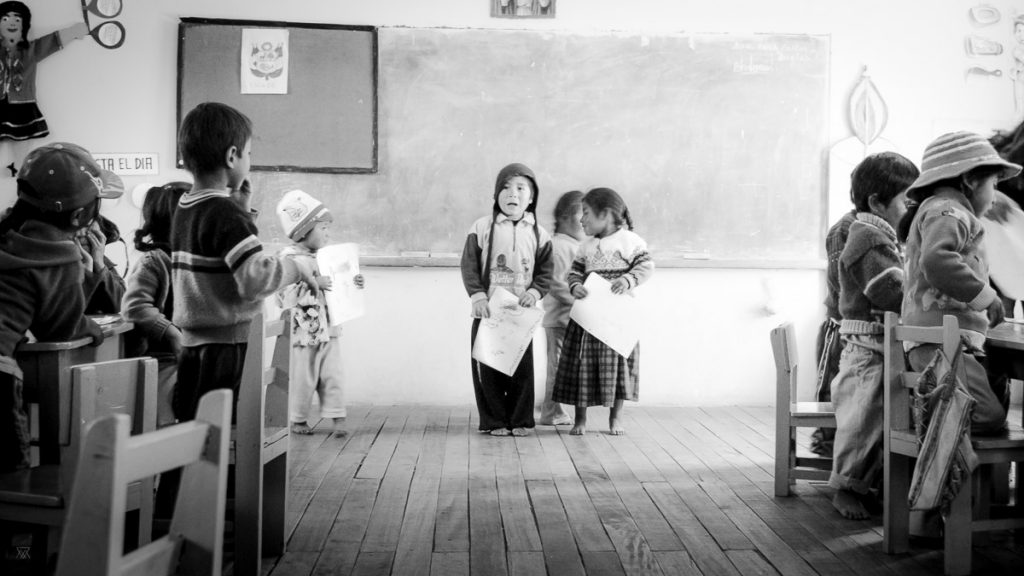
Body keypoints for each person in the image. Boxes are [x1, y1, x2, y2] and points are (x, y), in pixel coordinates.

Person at [170, 102, 319, 423]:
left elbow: (218, 252)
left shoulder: (185, 206)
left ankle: (181, 476)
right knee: (223, 436)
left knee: (192, 429)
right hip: (228, 346)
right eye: (249, 154)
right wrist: (297, 268)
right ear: (232, 156)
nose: (250, 162)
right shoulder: (224, 214)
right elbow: (253, 281)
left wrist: (241, 211)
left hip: (192, 344)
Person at [0, 141, 121, 471]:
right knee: (12, 484)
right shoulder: (58, 255)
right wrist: (92, 327)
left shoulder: (8, 233)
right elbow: (61, 328)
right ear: (82, 215)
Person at [899, 131, 1022, 436]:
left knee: (997, 402)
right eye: (993, 184)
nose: (995, 196)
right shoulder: (948, 210)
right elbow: (936, 260)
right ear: (969, 181)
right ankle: (929, 420)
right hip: (940, 342)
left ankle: (935, 419)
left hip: (945, 341)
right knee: (989, 417)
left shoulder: (942, 210)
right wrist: (985, 297)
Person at [827, 152, 919, 520]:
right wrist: (918, 290)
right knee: (861, 418)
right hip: (866, 344)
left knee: (880, 418)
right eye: (906, 200)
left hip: (878, 341)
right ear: (877, 202)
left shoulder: (881, 235)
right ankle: (845, 488)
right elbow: (888, 291)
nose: (911, 207)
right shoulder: (867, 237)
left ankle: (868, 485)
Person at [551, 187, 654, 436]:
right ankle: (581, 420)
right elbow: (574, 272)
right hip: (588, 320)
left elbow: (646, 266)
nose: (581, 219)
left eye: (586, 213)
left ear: (605, 214)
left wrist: (628, 280)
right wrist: (575, 285)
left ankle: (615, 418)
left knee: (617, 368)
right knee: (581, 367)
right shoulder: (586, 246)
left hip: (618, 320)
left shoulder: (630, 241)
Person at [461, 162, 553, 437]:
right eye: (505, 187)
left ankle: (521, 420)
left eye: (520, 188)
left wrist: (534, 292)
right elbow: (469, 265)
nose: (512, 193)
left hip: (520, 313)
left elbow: (546, 271)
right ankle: (494, 420)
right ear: (495, 194)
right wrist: (477, 296)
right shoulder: (482, 227)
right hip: (489, 311)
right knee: (488, 368)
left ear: (532, 197)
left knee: (521, 371)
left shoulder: (539, 233)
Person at [275, 189, 364, 438]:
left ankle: (337, 416)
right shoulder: (287, 259)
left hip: (330, 330)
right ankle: (298, 418)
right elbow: (283, 296)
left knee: (333, 374)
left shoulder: (328, 257)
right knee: (303, 377)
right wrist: (312, 283)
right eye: (322, 227)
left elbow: (342, 284)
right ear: (304, 230)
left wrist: (354, 281)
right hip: (303, 333)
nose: (328, 233)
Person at [121, 182, 190, 428]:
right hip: (162, 361)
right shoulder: (155, 261)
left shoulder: (194, 261)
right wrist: (170, 332)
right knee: (164, 426)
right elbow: (134, 307)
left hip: (189, 360)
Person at [0, 2, 88, 140]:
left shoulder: (29, 50)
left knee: (22, 145)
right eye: (5, 19)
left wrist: (74, 31)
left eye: (17, 19)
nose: (11, 24)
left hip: (22, 104)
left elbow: (51, 41)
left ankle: (21, 162)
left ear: (24, 25)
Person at [539, 190, 585, 426]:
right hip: (559, 320)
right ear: (566, 218)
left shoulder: (574, 245)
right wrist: (579, 302)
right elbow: (555, 283)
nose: (585, 221)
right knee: (556, 368)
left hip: (570, 320)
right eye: (581, 215)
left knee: (563, 368)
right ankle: (550, 412)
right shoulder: (558, 245)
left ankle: (554, 410)